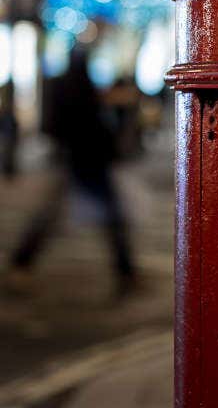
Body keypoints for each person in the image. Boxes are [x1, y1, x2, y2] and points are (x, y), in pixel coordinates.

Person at [5, 48, 137, 297]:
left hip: (75, 159)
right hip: (88, 162)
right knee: (110, 217)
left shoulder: (64, 88)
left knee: (54, 214)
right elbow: (94, 126)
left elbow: (55, 125)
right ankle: (125, 269)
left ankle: (21, 262)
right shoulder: (82, 92)